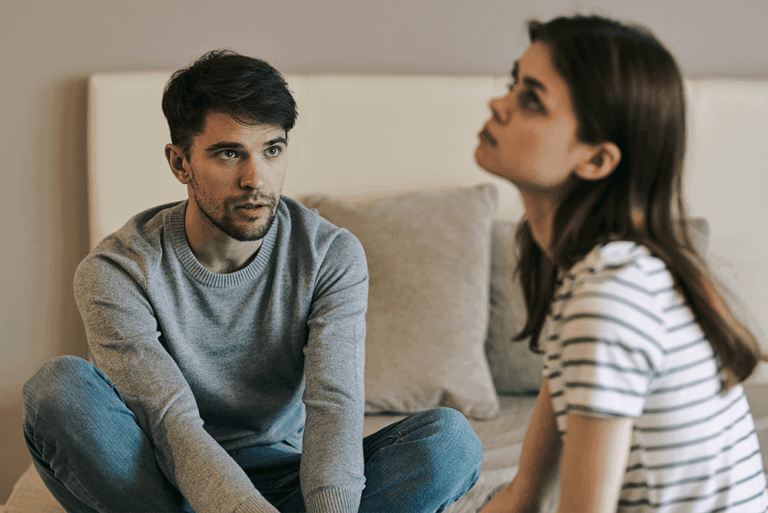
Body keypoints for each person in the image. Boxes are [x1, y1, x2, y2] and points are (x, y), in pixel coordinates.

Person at [22, 49, 482, 513]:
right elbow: (171, 424)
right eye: (228, 153)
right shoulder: (118, 270)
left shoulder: (329, 255)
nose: (255, 179)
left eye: (272, 150)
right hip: (163, 486)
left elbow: (334, 404)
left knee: (449, 443)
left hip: (288, 481)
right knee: (57, 390)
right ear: (180, 163)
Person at [475, 15, 768, 513]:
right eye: (513, 85)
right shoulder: (590, 274)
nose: (498, 105)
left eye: (532, 99)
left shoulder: (611, 293)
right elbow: (524, 495)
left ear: (596, 161)